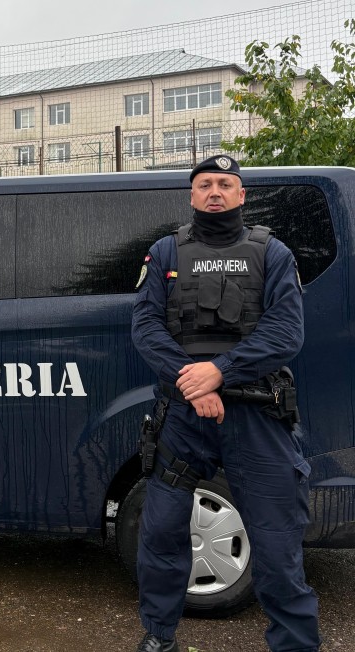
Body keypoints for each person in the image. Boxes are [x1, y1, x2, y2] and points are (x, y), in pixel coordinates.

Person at [131, 156, 320, 652]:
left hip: (256, 415)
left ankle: (296, 644)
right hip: (184, 417)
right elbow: (146, 328)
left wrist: (219, 372)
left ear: (241, 194)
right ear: (192, 195)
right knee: (161, 533)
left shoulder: (272, 253)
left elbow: (286, 333)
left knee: (277, 544)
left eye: (225, 184)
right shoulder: (166, 250)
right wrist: (196, 385)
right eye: (205, 184)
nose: (214, 192)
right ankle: (158, 637)